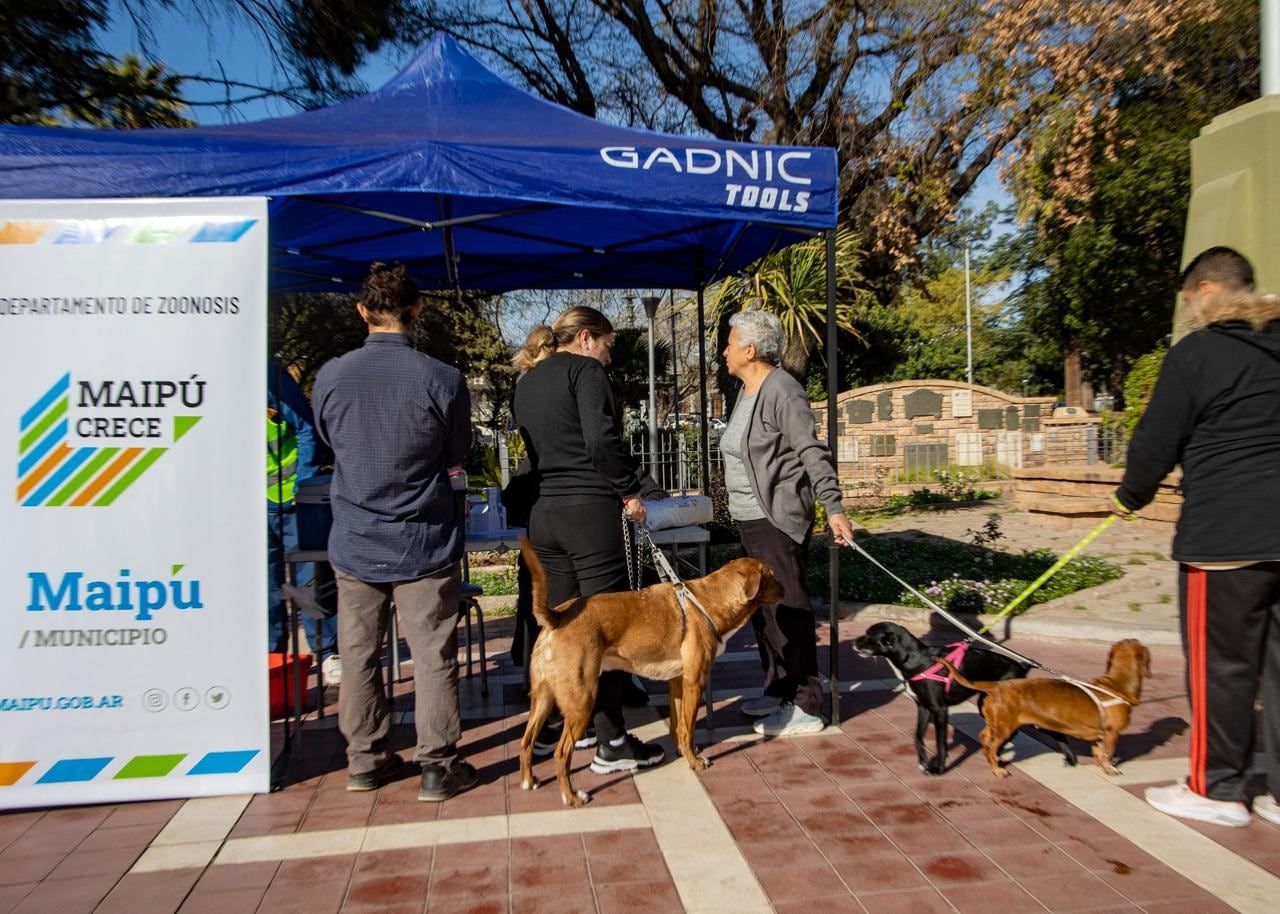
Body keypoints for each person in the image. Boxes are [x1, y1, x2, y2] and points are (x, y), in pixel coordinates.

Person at [1112, 246, 1280, 828]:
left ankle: (1218, 788)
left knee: (1224, 668)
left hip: (1226, 541)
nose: (1185, 313)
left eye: (1186, 301)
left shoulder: (1200, 352)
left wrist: (1130, 495)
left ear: (1206, 290)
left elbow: (1156, 442)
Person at [311, 263, 478, 801]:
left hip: (357, 536)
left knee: (358, 653)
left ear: (363, 311)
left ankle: (365, 760)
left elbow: (328, 441)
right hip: (422, 538)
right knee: (431, 655)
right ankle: (437, 764)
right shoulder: (442, 379)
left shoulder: (331, 376)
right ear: (417, 311)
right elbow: (455, 455)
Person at [512, 305, 666, 774]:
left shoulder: (528, 382)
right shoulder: (586, 372)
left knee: (562, 627)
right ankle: (611, 740)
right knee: (610, 625)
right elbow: (601, 442)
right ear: (584, 338)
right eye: (607, 344)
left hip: (545, 516)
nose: (609, 355)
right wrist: (630, 490)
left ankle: (555, 728)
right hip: (589, 514)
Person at [721, 310, 861, 736]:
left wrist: (834, 506)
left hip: (776, 520)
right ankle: (778, 689)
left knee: (790, 611)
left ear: (750, 349)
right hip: (749, 518)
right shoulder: (747, 391)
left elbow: (811, 451)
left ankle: (807, 704)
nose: (724, 350)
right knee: (764, 613)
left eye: (729, 342)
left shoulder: (783, 390)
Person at [267, 362, 340, 683]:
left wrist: (303, 484)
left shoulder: (269, 378)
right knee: (266, 586)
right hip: (250, 503)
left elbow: (306, 429)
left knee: (308, 583)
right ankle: (274, 654)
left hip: (290, 500)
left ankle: (327, 652)